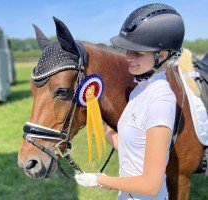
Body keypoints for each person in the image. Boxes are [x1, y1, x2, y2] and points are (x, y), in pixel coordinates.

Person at [75, 3, 185, 200]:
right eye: (128, 50)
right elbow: (128, 145)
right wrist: (101, 124)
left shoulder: (160, 100)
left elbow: (151, 185)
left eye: (137, 52)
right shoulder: (138, 91)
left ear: (162, 55)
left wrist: (100, 180)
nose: (128, 57)